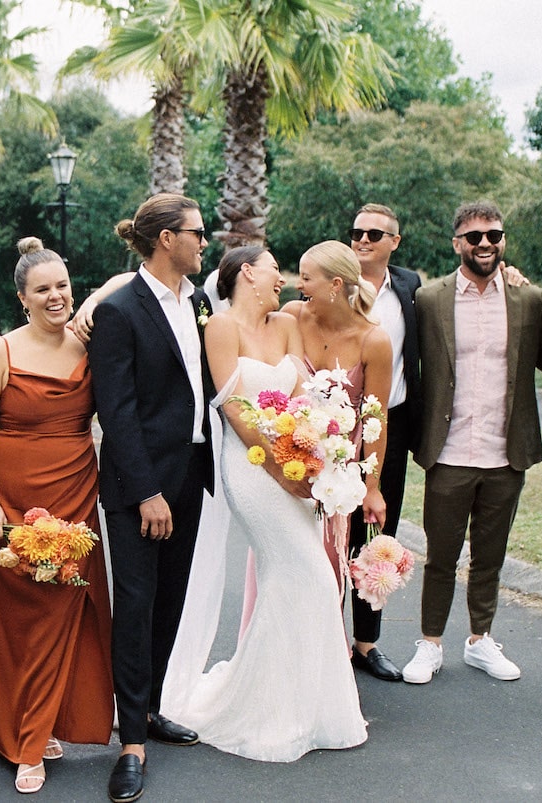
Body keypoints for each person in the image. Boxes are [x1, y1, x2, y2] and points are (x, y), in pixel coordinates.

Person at [172, 245, 369, 761]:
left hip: (300, 466)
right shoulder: (220, 327)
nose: (282, 276)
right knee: (303, 573)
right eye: (274, 267)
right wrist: (280, 467)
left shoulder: (284, 324)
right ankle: (267, 712)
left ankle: (312, 707)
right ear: (245, 273)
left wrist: (324, 446)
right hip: (252, 469)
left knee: (312, 580)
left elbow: (305, 394)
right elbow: (232, 406)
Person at [0, 237, 114, 794]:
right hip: (9, 497)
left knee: (65, 611)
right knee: (19, 621)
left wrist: (93, 299)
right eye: (43, 289)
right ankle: (25, 732)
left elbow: (128, 281)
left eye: (62, 287)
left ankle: (37, 731)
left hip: (76, 491)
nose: (56, 297)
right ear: (22, 297)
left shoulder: (88, 345)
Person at [87, 193, 215, 803]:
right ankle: (131, 743)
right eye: (196, 232)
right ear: (167, 238)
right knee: (136, 607)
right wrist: (146, 493)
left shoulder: (199, 301)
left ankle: (153, 707)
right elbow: (118, 411)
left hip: (192, 472)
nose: (204, 241)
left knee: (170, 601)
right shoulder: (120, 311)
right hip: (143, 485)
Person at [401, 201, 542, 685]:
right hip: (449, 450)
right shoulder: (430, 299)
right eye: (474, 236)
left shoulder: (530, 299)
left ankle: (481, 640)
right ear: (457, 242)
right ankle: (430, 643)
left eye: (494, 235)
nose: (485, 243)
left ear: (503, 240)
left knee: (491, 555)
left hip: (507, 452)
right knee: (441, 556)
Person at [281, 237, 394, 631]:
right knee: (287, 568)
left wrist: (372, 487)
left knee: (328, 568)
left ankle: (327, 658)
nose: (299, 284)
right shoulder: (292, 316)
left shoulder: (374, 340)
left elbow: (376, 419)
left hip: (338, 480)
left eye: (307, 277)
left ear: (335, 285)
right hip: (290, 466)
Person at [340, 204, 422, 681]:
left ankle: (367, 643)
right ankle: (328, 638)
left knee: (375, 532)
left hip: (388, 428)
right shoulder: (332, 283)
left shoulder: (411, 289)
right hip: (329, 432)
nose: (363, 239)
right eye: (357, 232)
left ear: (395, 241)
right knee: (331, 536)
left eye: (375, 233)